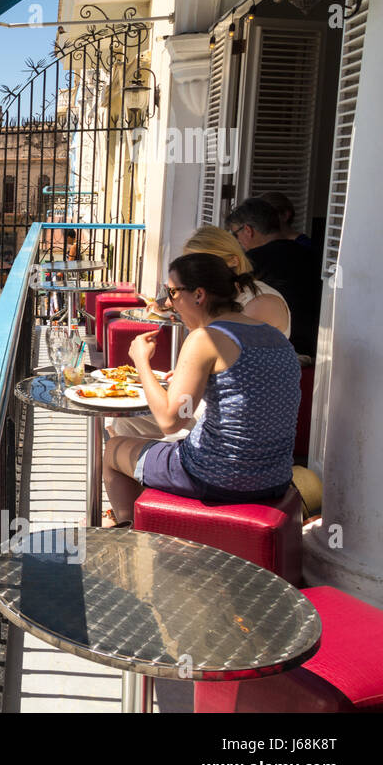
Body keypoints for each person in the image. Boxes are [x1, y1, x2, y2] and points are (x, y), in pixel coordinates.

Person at [102, 253, 300, 526]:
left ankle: (129, 534)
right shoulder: (274, 336)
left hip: (216, 477)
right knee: (154, 440)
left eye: (172, 292)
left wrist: (141, 362)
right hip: (274, 479)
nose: (168, 304)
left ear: (198, 295)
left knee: (113, 449)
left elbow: (171, 421)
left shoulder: (205, 338)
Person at [226, 198, 321, 358]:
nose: (238, 241)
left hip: (284, 350)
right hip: (316, 346)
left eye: (236, 234)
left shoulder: (252, 261)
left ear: (248, 230)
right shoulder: (310, 252)